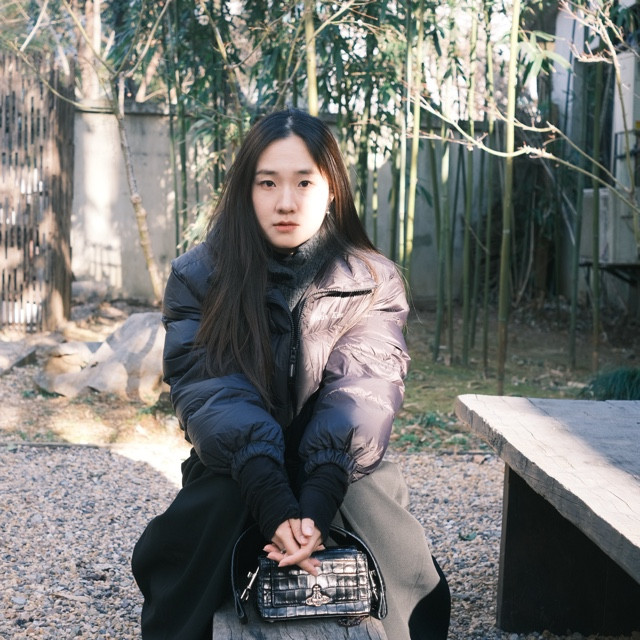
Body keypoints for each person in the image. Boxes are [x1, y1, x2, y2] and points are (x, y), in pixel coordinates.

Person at [131, 108, 451, 640]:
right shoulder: (198, 276)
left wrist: (316, 504)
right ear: (245, 191)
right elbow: (211, 390)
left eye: (304, 182)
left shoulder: (373, 279)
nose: (286, 202)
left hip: (340, 465)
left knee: (393, 554)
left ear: (332, 189)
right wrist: (273, 501)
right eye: (268, 183)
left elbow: (363, 390)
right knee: (202, 541)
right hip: (238, 464)